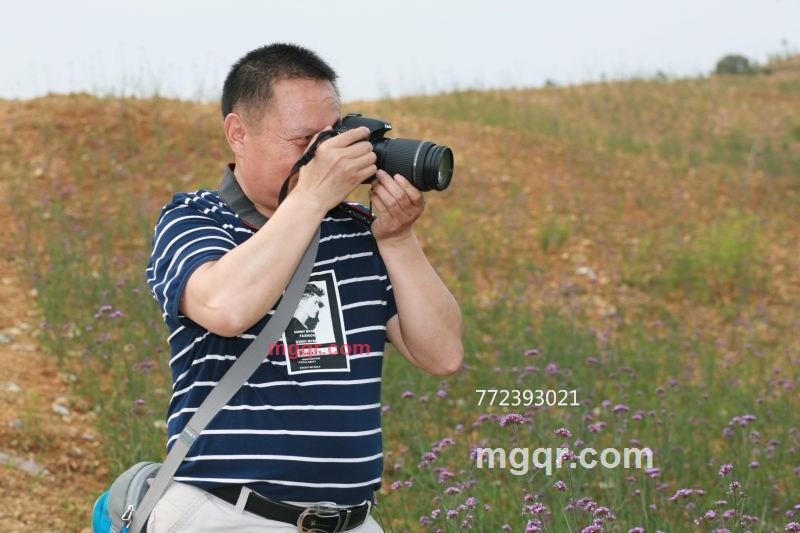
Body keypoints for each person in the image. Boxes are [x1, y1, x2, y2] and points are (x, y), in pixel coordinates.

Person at [144, 42, 463, 532]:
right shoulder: (196, 218)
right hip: (226, 512)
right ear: (238, 133)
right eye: (303, 142)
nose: (323, 158)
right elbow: (226, 308)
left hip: (350, 521)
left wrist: (398, 240)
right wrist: (312, 196)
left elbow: (442, 355)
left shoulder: (357, 231)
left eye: (330, 138)